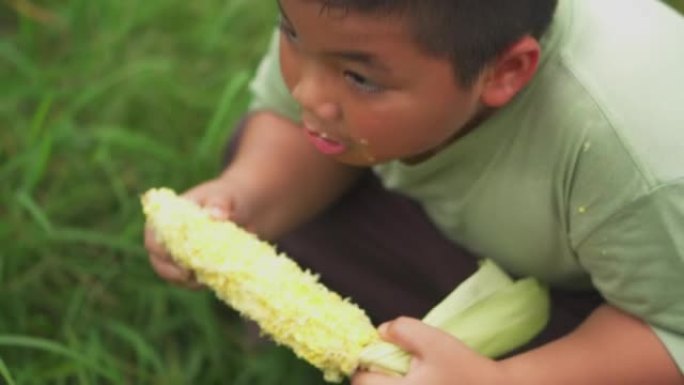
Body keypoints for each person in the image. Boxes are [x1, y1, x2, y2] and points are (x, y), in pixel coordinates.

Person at [145, 0, 684, 383]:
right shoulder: (348, 25)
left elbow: (672, 331)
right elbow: (290, 126)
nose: (309, 92)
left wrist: (502, 381)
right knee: (268, 173)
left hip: (633, 295)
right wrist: (240, 201)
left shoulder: (631, 158)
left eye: (358, 79)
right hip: (494, 251)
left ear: (505, 72)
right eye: (292, 35)